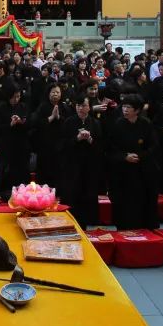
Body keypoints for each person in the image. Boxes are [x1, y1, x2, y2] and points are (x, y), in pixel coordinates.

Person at [106, 95, 160, 229]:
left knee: (143, 200)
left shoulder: (146, 123)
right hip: (123, 170)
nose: (125, 110)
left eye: (129, 107)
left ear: (137, 110)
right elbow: (110, 148)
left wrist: (140, 155)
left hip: (142, 169)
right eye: (123, 106)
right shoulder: (117, 124)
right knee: (124, 203)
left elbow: (153, 146)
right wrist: (124, 156)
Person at [59, 97, 102, 229]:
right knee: (72, 196)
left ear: (89, 107)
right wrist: (76, 138)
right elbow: (61, 145)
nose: (80, 108)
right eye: (78, 105)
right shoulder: (68, 122)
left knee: (87, 198)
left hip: (89, 167)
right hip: (72, 166)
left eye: (83, 105)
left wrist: (90, 140)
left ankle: (86, 225)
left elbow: (101, 146)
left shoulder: (95, 123)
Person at [0, 83, 31, 201]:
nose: (16, 99)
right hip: (6, 145)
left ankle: (21, 193)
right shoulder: (1, 107)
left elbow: (30, 125)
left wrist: (21, 122)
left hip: (20, 145)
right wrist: (9, 125)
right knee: (5, 170)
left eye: (18, 96)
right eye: (14, 97)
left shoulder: (23, 107)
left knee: (21, 170)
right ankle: (3, 194)